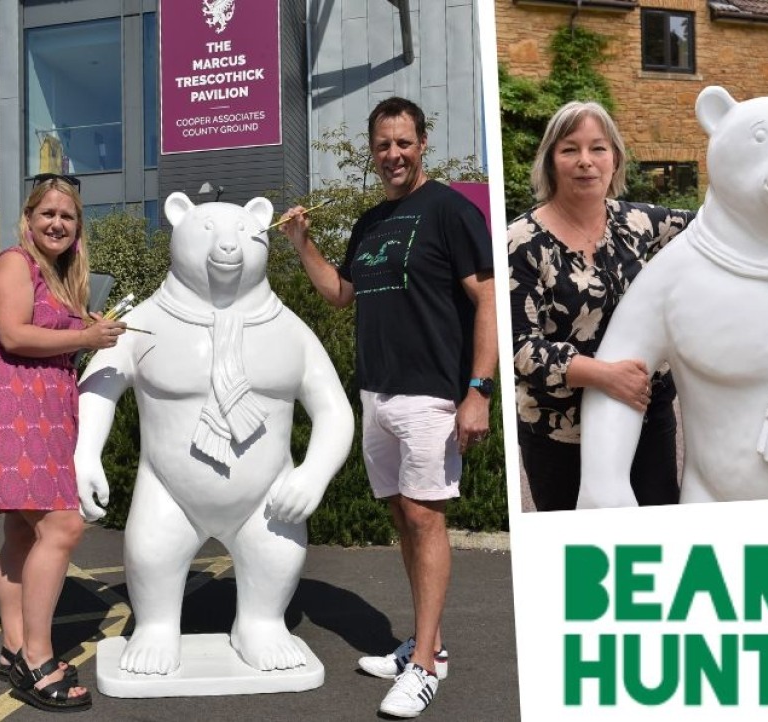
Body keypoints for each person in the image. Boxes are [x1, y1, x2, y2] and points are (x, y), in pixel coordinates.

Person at [280, 96, 496, 718]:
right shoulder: (372, 222)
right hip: (377, 392)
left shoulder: (451, 211)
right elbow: (340, 294)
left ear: (422, 143)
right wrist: (302, 242)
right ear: (372, 151)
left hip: (432, 391)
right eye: (383, 145)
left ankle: (426, 665)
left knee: (426, 519)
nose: (393, 154)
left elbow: (485, 302)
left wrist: (477, 392)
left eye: (403, 142)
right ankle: (424, 644)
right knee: (402, 517)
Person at [508, 100, 695, 511]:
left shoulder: (642, 224)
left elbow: (721, 224)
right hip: (560, 432)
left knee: (657, 541)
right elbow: (520, 347)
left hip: (644, 413)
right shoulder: (521, 241)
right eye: (570, 149)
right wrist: (604, 375)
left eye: (598, 148)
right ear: (550, 161)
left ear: (615, 159)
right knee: (580, 557)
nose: (585, 162)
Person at [0, 174, 124, 712]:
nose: (58, 224)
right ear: (29, 218)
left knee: (22, 529)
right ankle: (39, 659)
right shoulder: (15, 262)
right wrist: (84, 337)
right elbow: (15, 334)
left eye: (68, 217)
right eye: (48, 214)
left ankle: (15, 649)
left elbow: (49, 330)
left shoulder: (60, 276)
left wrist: (88, 324)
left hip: (44, 404)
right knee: (62, 525)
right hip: (15, 401)